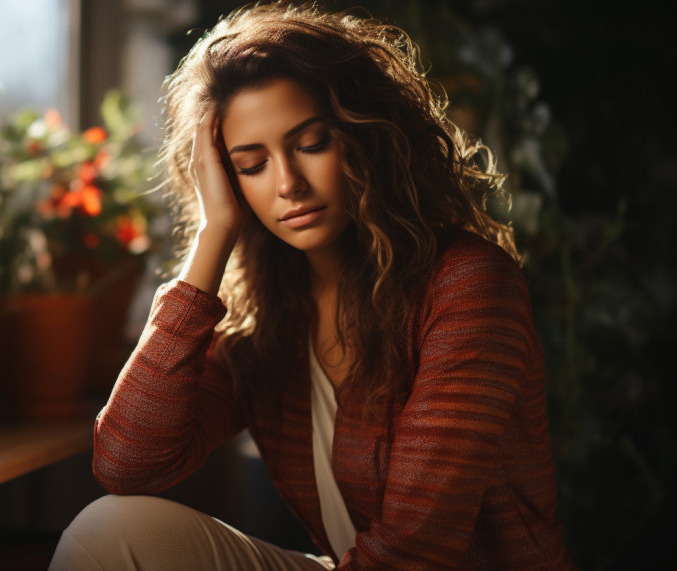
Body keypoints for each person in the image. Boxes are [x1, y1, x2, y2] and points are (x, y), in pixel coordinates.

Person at [50, 2, 575, 569]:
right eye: (251, 165)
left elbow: (415, 553)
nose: (289, 184)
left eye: (310, 143)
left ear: (366, 135)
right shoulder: (267, 317)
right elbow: (129, 463)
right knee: (111, 530)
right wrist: (214, 233)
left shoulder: (468, 285)